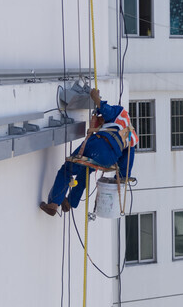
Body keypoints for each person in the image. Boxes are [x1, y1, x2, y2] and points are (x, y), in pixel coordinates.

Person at [40, 88, 137, 216]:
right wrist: (122, 177)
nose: (100, 121)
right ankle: (70, 202)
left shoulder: (120, 112)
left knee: (67, 169)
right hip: (109, 159)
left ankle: (53, 203)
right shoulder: (131, 136)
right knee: (85, 171)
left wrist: (95, 97)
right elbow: (127, 162)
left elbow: (106, 110)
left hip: (98, 146)